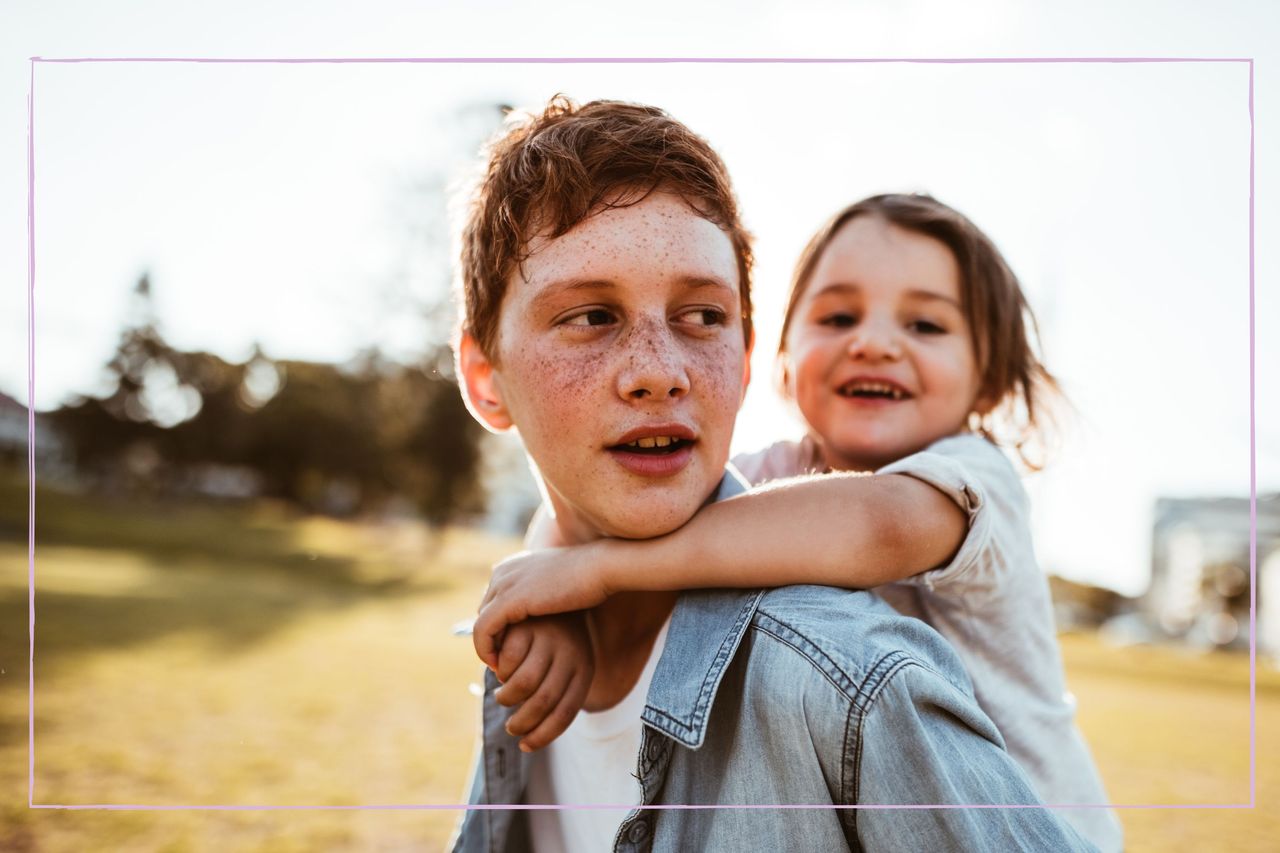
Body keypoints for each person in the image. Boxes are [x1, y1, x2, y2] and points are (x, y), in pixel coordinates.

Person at [450, 96, 1097, 852]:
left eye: (701, 316)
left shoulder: (961, 486)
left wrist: (598, 569)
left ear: (743, 357)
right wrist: (553, 575)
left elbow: (878, 523)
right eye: (591, 315)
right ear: (781, 360)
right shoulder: (776, 487)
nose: (658, 374)